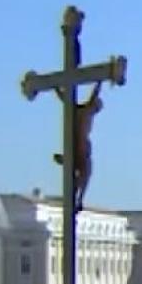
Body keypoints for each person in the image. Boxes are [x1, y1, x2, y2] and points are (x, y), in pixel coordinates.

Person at [53, 81, 103, 212]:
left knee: (80, 175)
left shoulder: (76, 110)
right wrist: (100, 81)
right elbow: (95, 94)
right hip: (81, 146)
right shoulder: (86, 110)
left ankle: (77, 198)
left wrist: (56, 87)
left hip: (74, 146)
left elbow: (63, 98)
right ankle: (79, 199)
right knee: (85, 172)